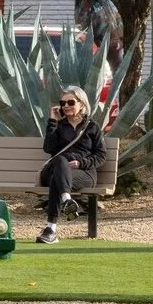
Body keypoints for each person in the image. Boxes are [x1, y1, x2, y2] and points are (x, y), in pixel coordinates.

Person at [37, 85, 104, 244]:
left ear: (82, 104)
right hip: (55, 168)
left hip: (83, 173)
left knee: (57, 180)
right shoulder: (59, 126)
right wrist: (53, 121)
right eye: (62, 103)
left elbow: (101, 156)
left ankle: (51, 230)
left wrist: (81, 163)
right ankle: (67, 200)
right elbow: (49, 148)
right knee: (60, 161)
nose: (66, 106)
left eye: (71, 102)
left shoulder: (92, 127)